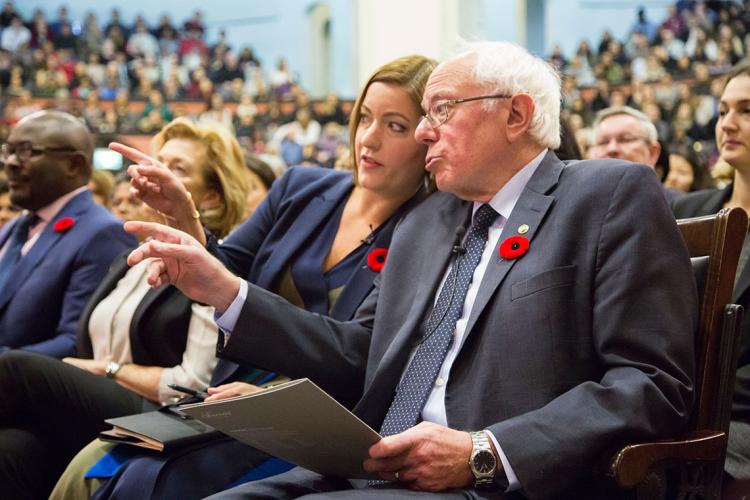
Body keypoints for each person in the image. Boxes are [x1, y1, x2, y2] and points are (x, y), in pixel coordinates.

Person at [126, 41, 696, 499]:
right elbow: (360, 354)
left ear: (516, 114)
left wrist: (485, 451)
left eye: (442, 110)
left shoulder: (607, 194)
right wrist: (224, 291)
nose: (425, 131)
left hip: (494, 482)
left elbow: (651, 383)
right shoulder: (425, 222)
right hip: (370, 466)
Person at [52, 54, 437, 500]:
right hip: (232, 390)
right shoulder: (301, 187)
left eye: (395, 126)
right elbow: (226, 267)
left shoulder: (430, 228)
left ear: (428, 138)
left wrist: (274, 392)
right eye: (365, 117)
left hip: (320, 418)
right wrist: (186, 217)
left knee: (148, 484)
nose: (368, 139)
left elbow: (361, 354)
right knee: (102, 470)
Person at [0, 118, 250, 500]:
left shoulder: (218, 268)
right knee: (11, 450)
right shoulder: (129, 257)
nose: (156, 174)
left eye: (177, 168)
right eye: (156, 161)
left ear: (212, 197)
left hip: (161, 412)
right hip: (93, 404)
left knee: (15, 368)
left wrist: (109, 371)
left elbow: (194, 386)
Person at [672, 61, 750, 498]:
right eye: (722, 111)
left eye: (746, 110)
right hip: (680, 404)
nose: (728, 123)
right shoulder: (689, 212)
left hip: (738, 419)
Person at [0, 110, 135, 357]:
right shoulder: (15, 227)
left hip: (27, 390)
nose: (10, 162)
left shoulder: (103, 234)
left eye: (27, 151)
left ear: (74, 164)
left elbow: (76, 343)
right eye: (9, 150)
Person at [588, 105, 682, 202]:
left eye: (625, 139)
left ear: (652, 152)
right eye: (603, 142)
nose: (612, 148)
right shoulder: (578, 209)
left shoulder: (682, 208)